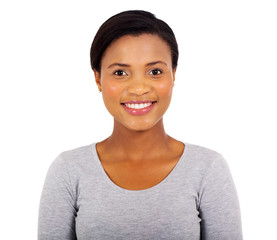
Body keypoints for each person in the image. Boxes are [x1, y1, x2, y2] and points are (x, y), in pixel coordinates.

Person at [38, 10, 243, 240]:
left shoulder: (207, 169)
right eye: (120, 72)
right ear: (98, 79)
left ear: (173, 74)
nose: (138, 88)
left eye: (155, 71)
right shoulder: (69, 170)